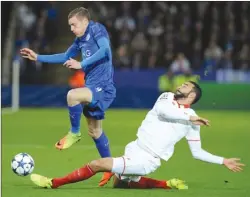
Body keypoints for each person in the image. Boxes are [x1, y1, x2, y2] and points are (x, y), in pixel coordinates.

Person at [30, 81, 244, 190]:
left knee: (97, 164)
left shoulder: (193, 120)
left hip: (148, 159)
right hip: (135, 147)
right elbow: (164, 112)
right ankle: (165, 184)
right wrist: (189, 119)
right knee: (120, 184)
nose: (180, 85)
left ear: (192, 96)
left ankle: (53, 183)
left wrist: (223, 160)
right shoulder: (167, 97)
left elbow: (197, 152)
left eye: (185, 86)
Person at [20, 7, 116, 186]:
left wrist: (82, 64)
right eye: (70, 25)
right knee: (95, 132)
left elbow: (104, 50)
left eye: (74, 25)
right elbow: (65, 56)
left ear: (85, 22)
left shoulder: (97, 29)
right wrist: (38, 57)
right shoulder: (80, 40)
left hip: (104, 87)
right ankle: (110, 168)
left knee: (72, 95)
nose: (72, 29)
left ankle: (74, 132)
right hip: (92, 87)